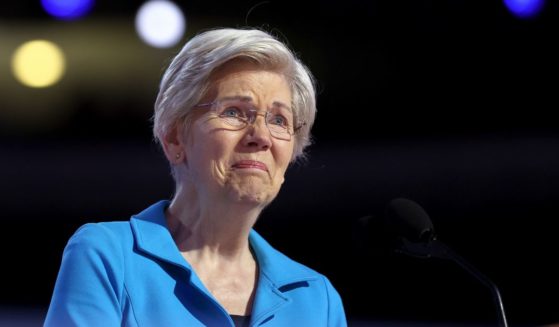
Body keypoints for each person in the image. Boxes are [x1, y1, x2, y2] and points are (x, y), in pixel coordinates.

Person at [45, 27, 347, 326]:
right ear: (175, 137)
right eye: (234, 112)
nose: (261, 136)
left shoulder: (317, 299)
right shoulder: (107, 256)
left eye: (279, 120)